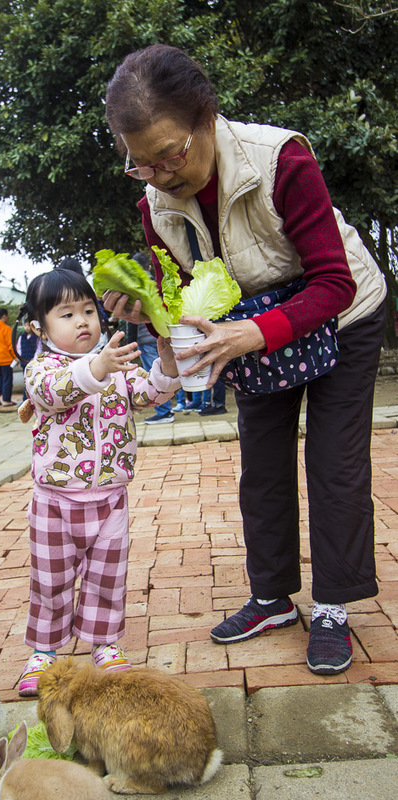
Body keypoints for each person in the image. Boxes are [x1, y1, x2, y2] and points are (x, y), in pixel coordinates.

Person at [104, 44, 387, 676]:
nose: (158, 175)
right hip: (251, 329)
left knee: (333, 463)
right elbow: (177, 294)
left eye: (170, 154)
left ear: (206, 119)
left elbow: (333, 283)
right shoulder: (157, 205)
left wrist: (254, 333)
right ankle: (272, 598)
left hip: (341, 314)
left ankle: (336, 604)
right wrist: (144, 306)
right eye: (140, 164)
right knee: (260, 463)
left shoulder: (281, 159)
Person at [17, 267, 179, 695]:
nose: (84, 320)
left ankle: (104, 644)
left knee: (107, 576)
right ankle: (44, 652)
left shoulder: (117, 363)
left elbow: (149, 395)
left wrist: (165, 361)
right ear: (39, 326)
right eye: (67, 314)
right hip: (55, 500)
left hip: (110, 497)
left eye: (88, 310)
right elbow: (53, 393)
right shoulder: (41, 368)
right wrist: (97, 367)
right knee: (50, 579)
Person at [131, 252, 174, 424]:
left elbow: (132, 321)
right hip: (161, 336)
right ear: (148, 267)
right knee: (165, 371)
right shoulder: (157, 283)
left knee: (154, 376)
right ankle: (166, 410)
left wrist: (131, 342)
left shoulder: (136, 287)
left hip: (145, 337)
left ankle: (164, 411)